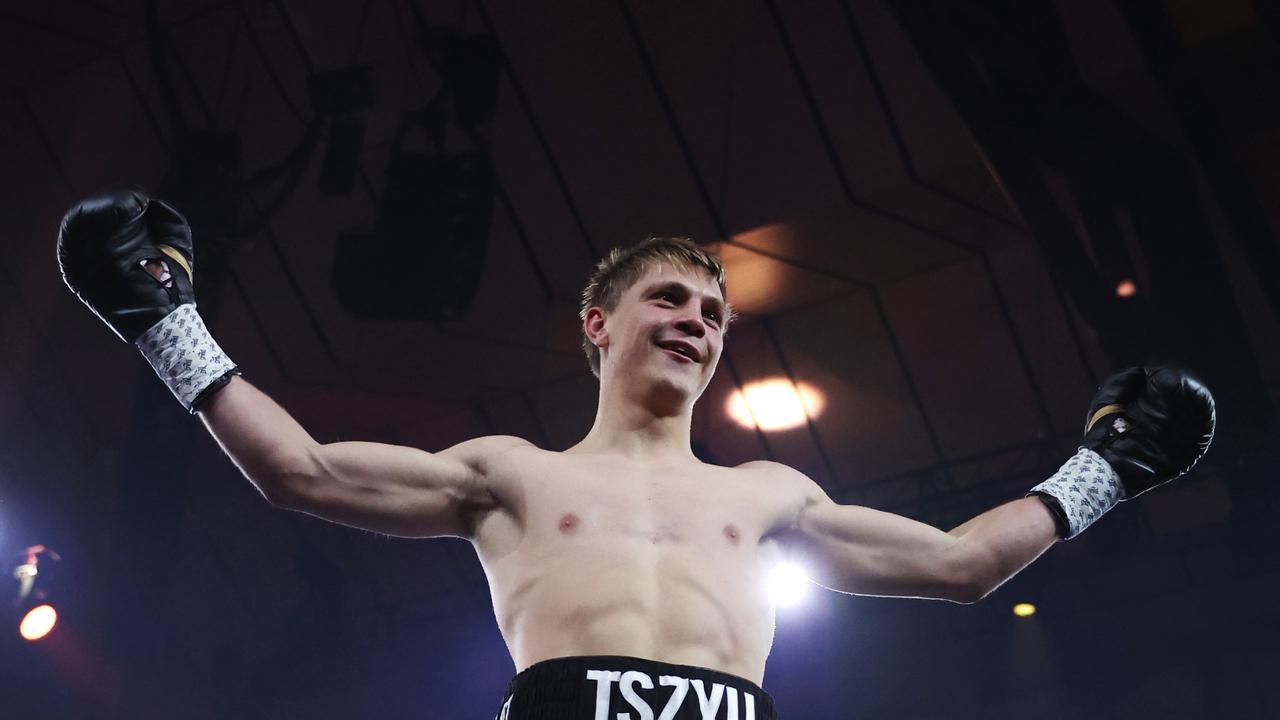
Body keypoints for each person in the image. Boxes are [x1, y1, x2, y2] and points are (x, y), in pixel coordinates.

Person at [57, 190, 1215, 719]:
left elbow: (961, 564)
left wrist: (1105, 469)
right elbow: (300, 470)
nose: (698, 321)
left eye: (713, 312)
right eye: (669, 298)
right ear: (598, 325)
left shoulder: (768, 493)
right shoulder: (513, 473)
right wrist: (165, 324)